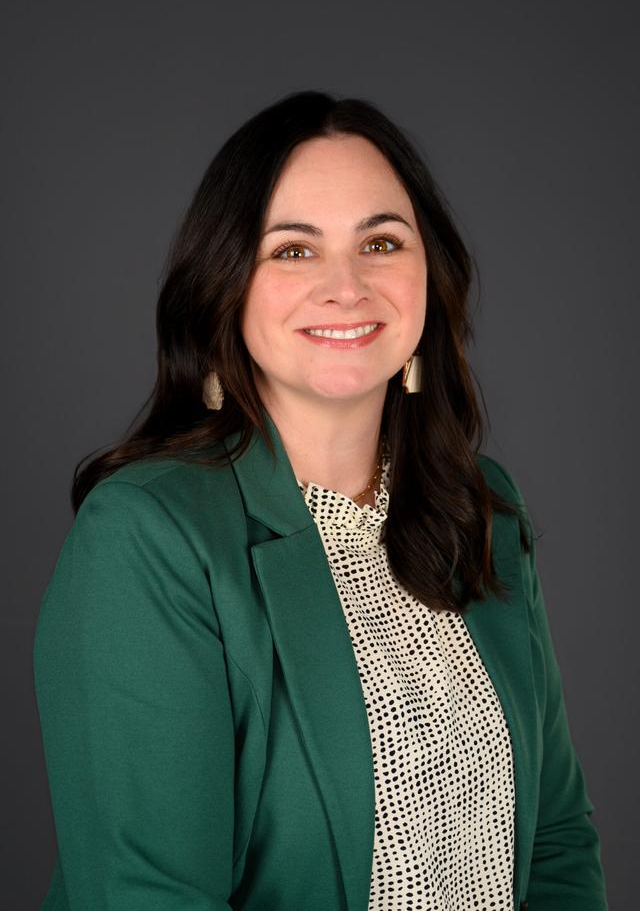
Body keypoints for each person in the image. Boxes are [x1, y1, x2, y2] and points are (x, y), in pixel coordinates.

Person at [33, 89, 608, 911]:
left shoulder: (480, 504)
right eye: (294, 250)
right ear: (227, 285)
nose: (347, 286)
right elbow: (149, 894)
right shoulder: (147, 536)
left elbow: (554, 841)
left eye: (381, 242)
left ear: (429, 274)